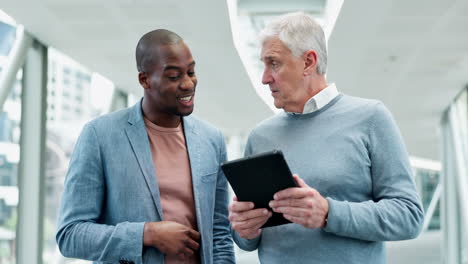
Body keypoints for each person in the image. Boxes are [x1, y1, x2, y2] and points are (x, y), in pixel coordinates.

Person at [229, 12, 424, 263]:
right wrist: (244, 229)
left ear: (309, 62)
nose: (264, 77)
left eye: (274, 63)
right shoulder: (260, 136)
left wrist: (329, 213)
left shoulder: (371, 118)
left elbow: (409, 216)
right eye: (263, 65)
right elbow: (247, 240)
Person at [56, 29, 234, 264]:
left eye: (191, 72)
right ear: (145, 80)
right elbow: (71, 235)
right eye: (173, 76)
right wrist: (146, 234)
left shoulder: (212, 139)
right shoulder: (100, 135)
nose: (188, 83)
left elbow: (220, 233)